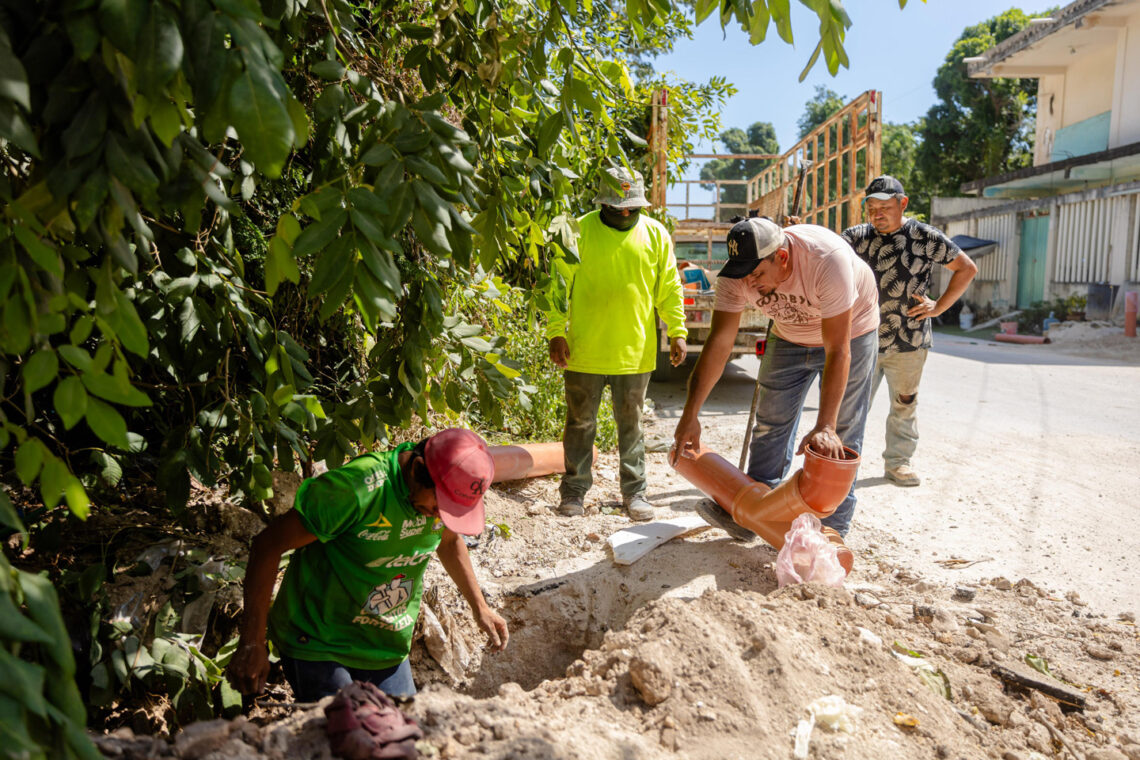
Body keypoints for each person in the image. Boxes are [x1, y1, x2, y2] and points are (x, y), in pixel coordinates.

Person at [226, 428, 509, 701]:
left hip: (385, 645)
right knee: (349, 738)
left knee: (403, 739)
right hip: (318, 641)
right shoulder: (356, 489)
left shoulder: (436, 504)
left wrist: (479, 607)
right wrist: (252, 641)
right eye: (440, 505)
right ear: (417, 469)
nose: (440, 515)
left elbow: (448, 541)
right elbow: (267, 546)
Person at [672, 216, 879, 537]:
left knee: (841, 431)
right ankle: (755, 510)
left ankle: (832, 528)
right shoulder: (737, 273)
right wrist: (691, 414)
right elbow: (719, 342)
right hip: (788, 335)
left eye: (757, 274)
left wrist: (825, 424)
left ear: (782, 257)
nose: (749, 284)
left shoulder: (827, 260)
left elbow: (838, 349)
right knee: (770, 421)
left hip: (852, 333)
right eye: (743, 274)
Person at [546, 165, 688, 521]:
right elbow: (557, 286)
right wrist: (555, 331)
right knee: (579, 423)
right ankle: (574, 492)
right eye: (617, 207)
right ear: (602, 203)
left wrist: (677, 331)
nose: (625, 212)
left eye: (631, 207)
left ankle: (635, 493)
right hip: (585, 350)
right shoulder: (577, 232)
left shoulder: (656, 235)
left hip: (634, 352)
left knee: (632, 426)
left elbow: (669, 288)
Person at [841, 176, 978, 487]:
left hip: (910, 340)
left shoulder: (924, 235)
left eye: (885, 207)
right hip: (862, 339)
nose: (877, 214)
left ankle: (899, 463)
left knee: (904, 404)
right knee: (850, 407)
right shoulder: (854, 238)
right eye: (871, 208)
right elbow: (823, 256)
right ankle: (843, 464)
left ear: (902, 204)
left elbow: (966, 268)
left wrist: (939, 307)